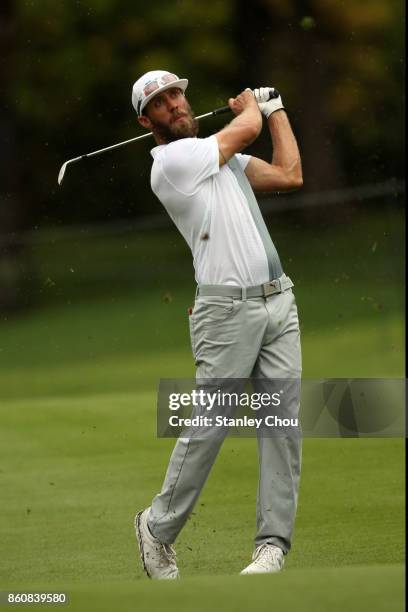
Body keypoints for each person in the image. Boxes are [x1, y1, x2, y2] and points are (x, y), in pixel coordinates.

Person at [131, 70, 303, 579]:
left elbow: (290, 174)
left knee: (282, 426)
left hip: (278, 302)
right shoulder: (173, 162)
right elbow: (243, 131)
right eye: (160, 103)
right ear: (147, 121)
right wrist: (253, 106)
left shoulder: (218, 156)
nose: (175, 106)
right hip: (225, 313)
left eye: (177, 95)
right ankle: (156, 527)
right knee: (210, 425)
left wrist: (276, 112)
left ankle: (271, 547)